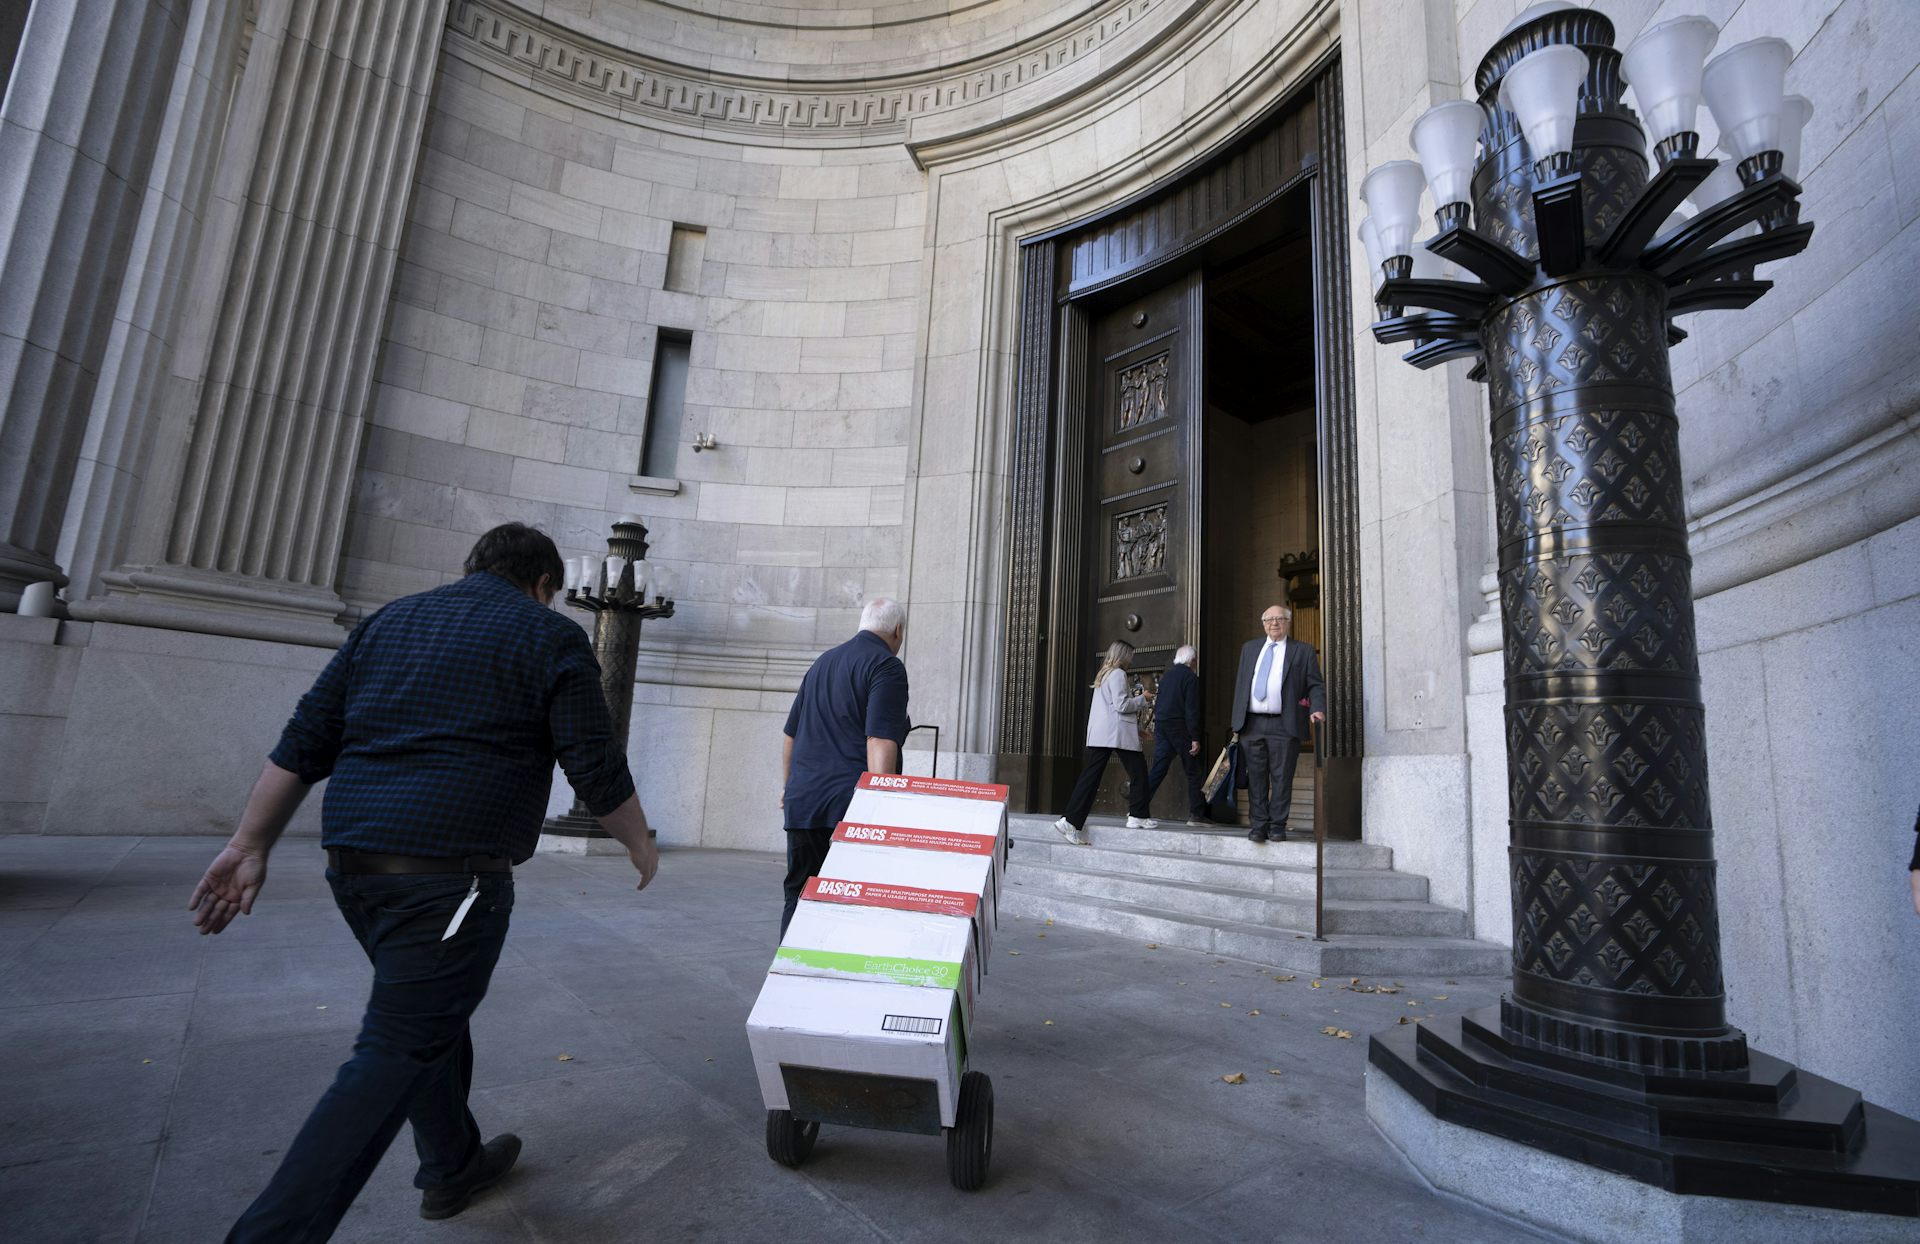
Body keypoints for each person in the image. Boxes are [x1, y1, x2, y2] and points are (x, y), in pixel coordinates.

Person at [187, 523, 659, 1242]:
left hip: (354, 866)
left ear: (473, 566)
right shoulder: (550, 634)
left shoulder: (390, 621)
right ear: (542, 586)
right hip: (452, 879)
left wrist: (249, 844)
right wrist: (640, 845)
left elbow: (304, 740)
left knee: (426, 1015)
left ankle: (451, 1165)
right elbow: (593, 763)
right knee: (398, 1045)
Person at [780, 598, 910, 933]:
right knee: (853, 904)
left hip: (803, 802)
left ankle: (789, 978)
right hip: (849, 807)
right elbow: (879, 739)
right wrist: (879, 806)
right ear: (898, 630)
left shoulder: (822, 663)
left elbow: (790, 737)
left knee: (798, 896)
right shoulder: (886, 665)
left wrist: (788, 789)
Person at [1228, 604, 1326, 843]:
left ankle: (1277, 826)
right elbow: (1242, 685)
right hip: (1252, 724)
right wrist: (1236, 721)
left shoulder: (1301, 651)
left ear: (1288, 622)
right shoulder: (1249, 649)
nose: (1274, 623)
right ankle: (1258, 826)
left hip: (1285, 723)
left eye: (1280, 619)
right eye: (1270, 619)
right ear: (1263, 624)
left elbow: (1315, 684)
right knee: (1256, 778)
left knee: (1282, 777)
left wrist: (1317, 708)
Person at [1053, 641, 1154, 844]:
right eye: (1131, 654)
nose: (1132, 658)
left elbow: (1110, 709)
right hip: (1115, 736)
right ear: (1123, 655)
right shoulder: (1117, 674)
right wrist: (1143, 699)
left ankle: (1070, 821)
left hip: (1106, 734)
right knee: (1138, 771)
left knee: (1091, 777)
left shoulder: (1105, 674)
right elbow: (1121, 705)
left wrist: (1136, 730)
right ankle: (1137, 815)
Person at [1143, 645, 1208, 826]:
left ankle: (1138, 809)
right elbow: (1192, 710)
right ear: (1192, 660)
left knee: (1158, 769)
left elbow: (1158, 704)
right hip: (1181, 728)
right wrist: (1195, 737)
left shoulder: (1166, 677)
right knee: (1193, 771)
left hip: (1163, 727)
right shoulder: (1190, 678)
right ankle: (1196, 815)